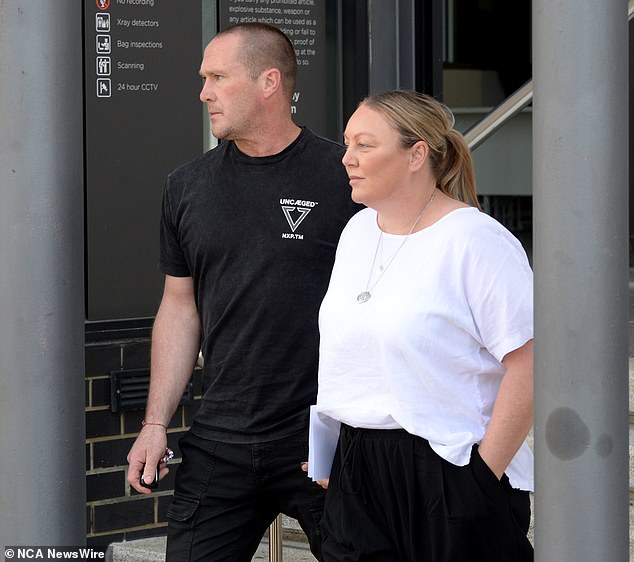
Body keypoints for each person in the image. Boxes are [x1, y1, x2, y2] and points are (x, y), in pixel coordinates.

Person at [126, 22, 359, 561]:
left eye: (217, 77)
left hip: (322, 439)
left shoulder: (344, 177)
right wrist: (155, 423)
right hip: (220, 440)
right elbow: (180, 309)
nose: (203, 92)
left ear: (269, 82)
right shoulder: (186, 186)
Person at [314, 90, 534, 561]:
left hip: (447, 466)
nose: (347, 158)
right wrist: (327, 448)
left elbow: (532, 363)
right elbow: (348, 353)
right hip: (355, 468)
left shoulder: (477, 241)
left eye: (365, 145)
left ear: (417, 154)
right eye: (347, 143)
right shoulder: (356, 232)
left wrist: (478, 478)